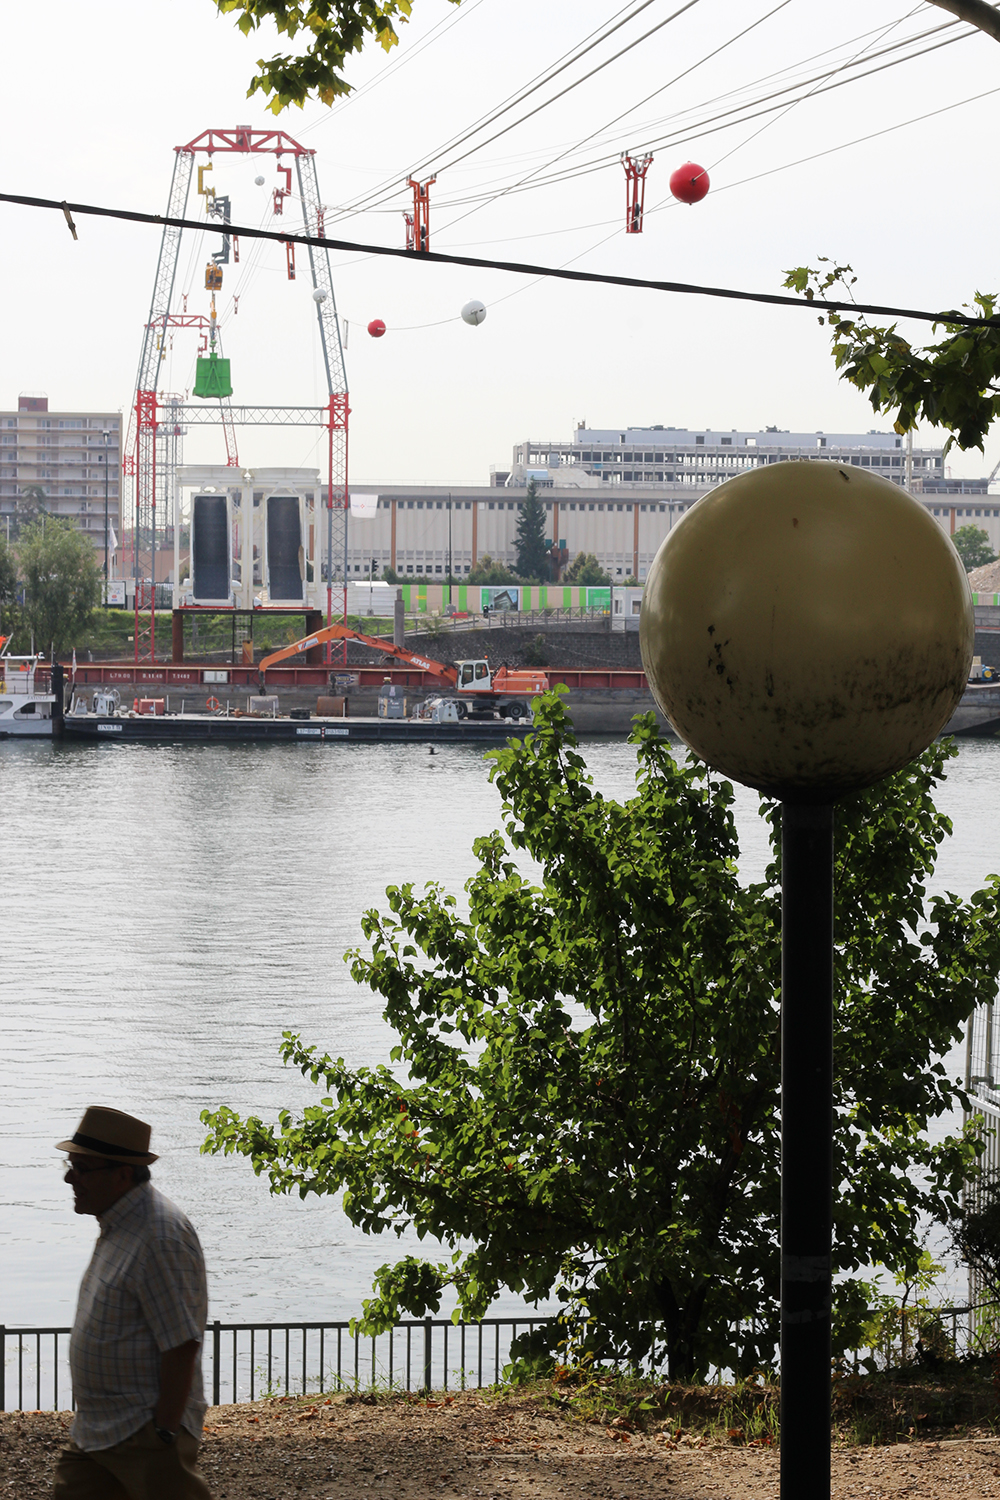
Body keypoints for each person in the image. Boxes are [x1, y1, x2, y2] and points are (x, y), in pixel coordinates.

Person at [52, 1106, 213, 1500]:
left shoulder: (159, 1237)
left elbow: (182, 1344)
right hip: (98, 1428)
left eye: (82, 1168)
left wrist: (163, 1431)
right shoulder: (120, 1222)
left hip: (141, 1430)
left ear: (122, 1173)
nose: (69, 1177)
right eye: (70, 1164)